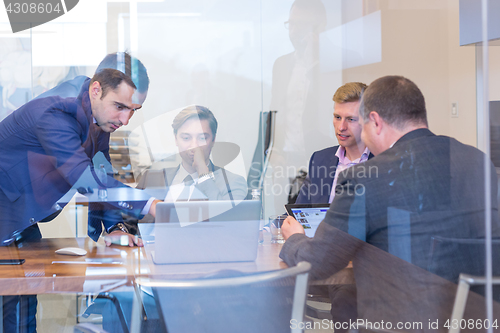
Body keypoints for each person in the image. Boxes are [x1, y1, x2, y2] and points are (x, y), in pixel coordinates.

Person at [279, 75, 500, 327]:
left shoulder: (365, 177)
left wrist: (295, 237)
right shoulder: (476, 160)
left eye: (357, 122)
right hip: (477, 318)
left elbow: (318, 263)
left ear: (374, 121)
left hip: (406, 321)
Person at [136, 105, 247, 209]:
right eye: (186, 138)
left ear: (213, 140)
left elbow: (229, 222)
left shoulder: (233, 183)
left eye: (202, 138)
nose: (194, 146)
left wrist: (203, 173)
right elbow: (128, 221)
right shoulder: (151, 179)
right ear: (176, 139)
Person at [295, 82, 372, 205]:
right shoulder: (320, 159)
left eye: (351, 119)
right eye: (337, 117)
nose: (341, 127)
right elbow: (298, 211)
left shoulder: (385, 162)